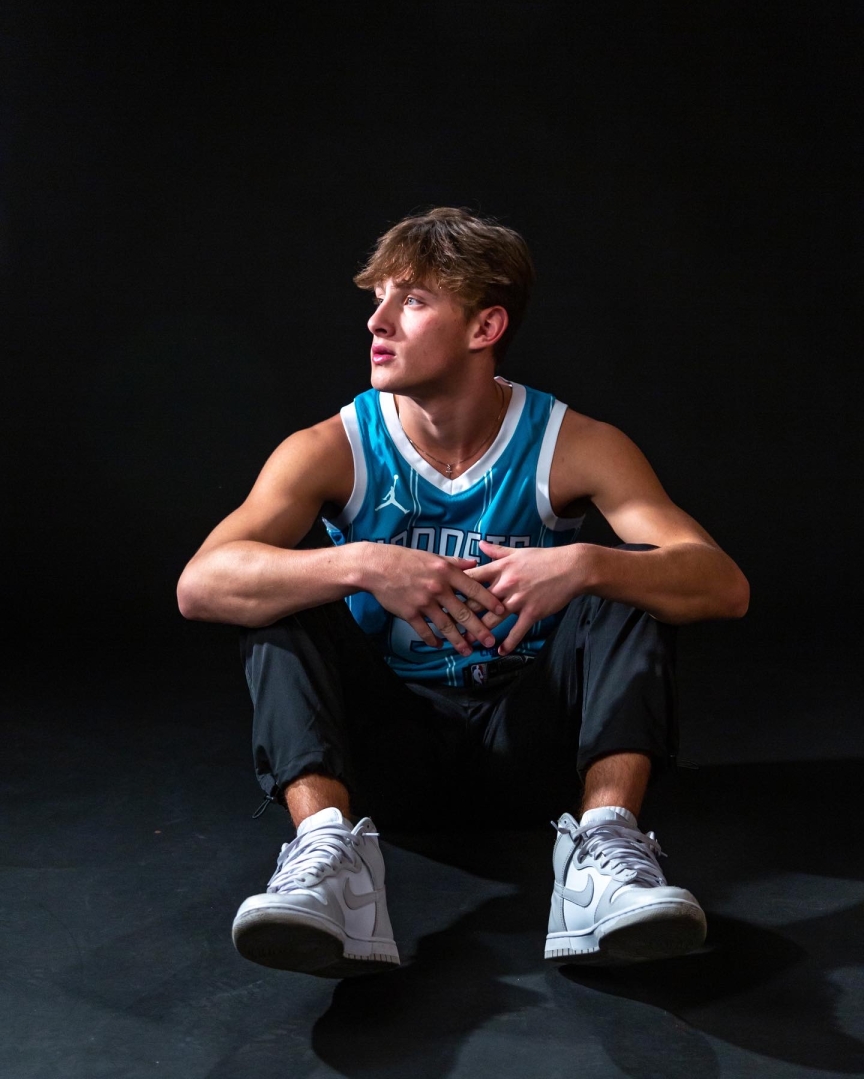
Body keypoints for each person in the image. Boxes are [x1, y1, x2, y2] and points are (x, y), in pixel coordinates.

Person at [177, 207, 749, 978]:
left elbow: (723, 584)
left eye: (411, 300)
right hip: (385, 766)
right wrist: (364, 564)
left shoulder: (572, 443)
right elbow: (200, 584)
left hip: (536, 756)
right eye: (378, 298)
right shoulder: (334, 447)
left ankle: (604, 856)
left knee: (628, 575)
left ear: (485, 327)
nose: (377, 321)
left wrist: (586, 564)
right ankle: (329, 861)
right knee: (282, 591)